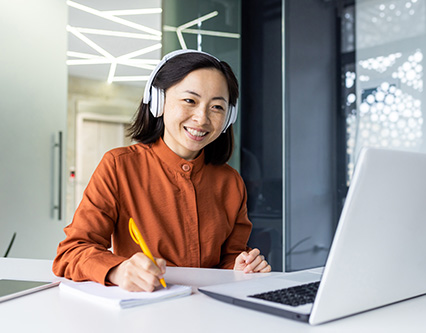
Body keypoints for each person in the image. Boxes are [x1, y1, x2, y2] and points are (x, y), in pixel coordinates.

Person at [53, 49, 271, 292]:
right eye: (190, 101)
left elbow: (229, 257)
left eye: (217, 107)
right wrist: (118, 270)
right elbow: (71, 252)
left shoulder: (230, 182)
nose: (202, 118)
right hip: (145, 311)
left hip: (211, 313)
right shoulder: (119, 166)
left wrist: (241, 266)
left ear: (229, 116)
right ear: (158, 101)